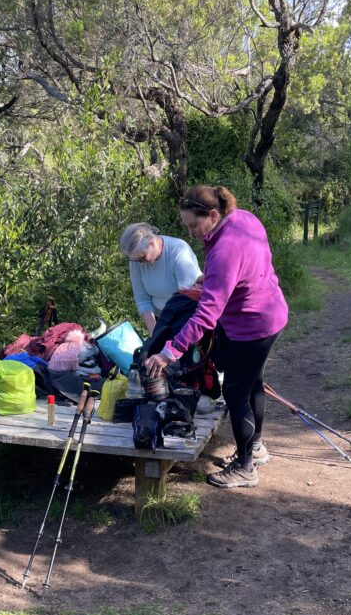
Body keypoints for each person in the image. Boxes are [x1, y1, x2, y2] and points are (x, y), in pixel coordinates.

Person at [144, 185, 288, 489]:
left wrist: (170, 352)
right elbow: (250, 263)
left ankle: (246, 467)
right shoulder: (242, 219)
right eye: (186, 226)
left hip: (252, 325)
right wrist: (209, 278)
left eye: (194, 225)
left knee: (236, 392)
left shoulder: (224, 249)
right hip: (270, 311)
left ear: (212, 214)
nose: (192, 231)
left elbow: (206, 315)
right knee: (253, 383)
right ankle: (257, 448)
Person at [119, 222, 201, 335]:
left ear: (151, 243)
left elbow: (186, 300)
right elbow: (142, 299)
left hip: (190, 317)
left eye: (142, 257)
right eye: (136, 260)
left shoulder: (178, 251)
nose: (140, 264)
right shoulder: (136, 261)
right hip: (161, 320)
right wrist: (155, 336)